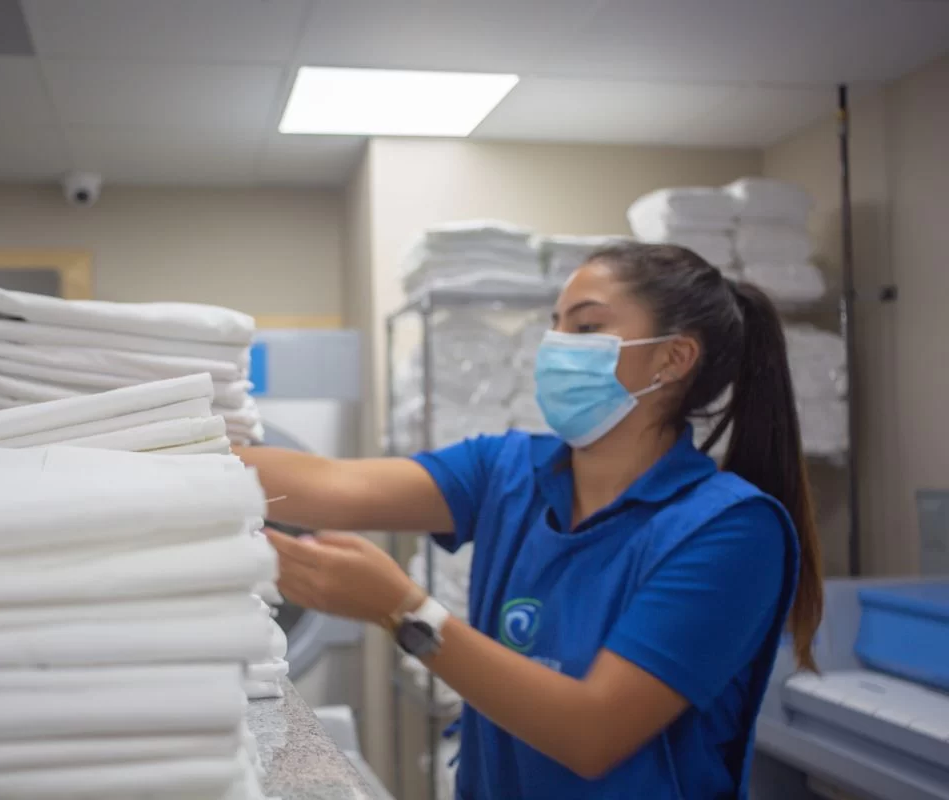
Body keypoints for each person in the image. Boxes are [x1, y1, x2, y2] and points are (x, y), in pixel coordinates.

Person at [237, 243, 823, 799]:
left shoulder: (731, 531)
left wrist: (404, 611)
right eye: (555, 325)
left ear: (673, 358)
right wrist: (188, 456)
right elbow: (333, 486)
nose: (555, 346)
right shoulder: (509, 470)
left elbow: (593, 733)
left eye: (585, 327)